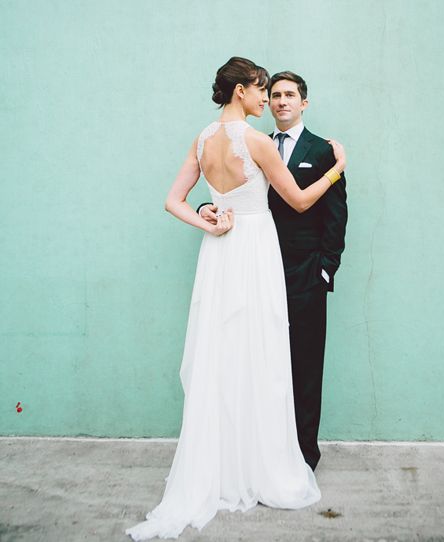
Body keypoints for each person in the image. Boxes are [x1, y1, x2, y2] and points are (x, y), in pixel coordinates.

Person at [125, 57, 346, 540]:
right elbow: (301, 200)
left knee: (221, 354)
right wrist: (337, 170)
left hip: (219, 254)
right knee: (260, 353)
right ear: (241, 91)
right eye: (261, 90)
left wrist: (208, 219)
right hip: (254, 250)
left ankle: (222, 466)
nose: (266, 100)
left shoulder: (202, 139)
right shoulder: (258, 141)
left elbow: (173, 201)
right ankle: (260, 465)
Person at [200, 71, 347, 471]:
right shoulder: (253, 143)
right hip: (254, 266)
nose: (280, 101)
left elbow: (336, 216)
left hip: (304, 273)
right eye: (275, 94)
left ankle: (302, 456)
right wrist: (204, 209)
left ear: (304, 103)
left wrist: (324, 270)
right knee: (258, 362)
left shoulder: (322, 150)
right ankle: (260, 454)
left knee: (303, 364)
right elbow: (232, 192)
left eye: (289, 95)